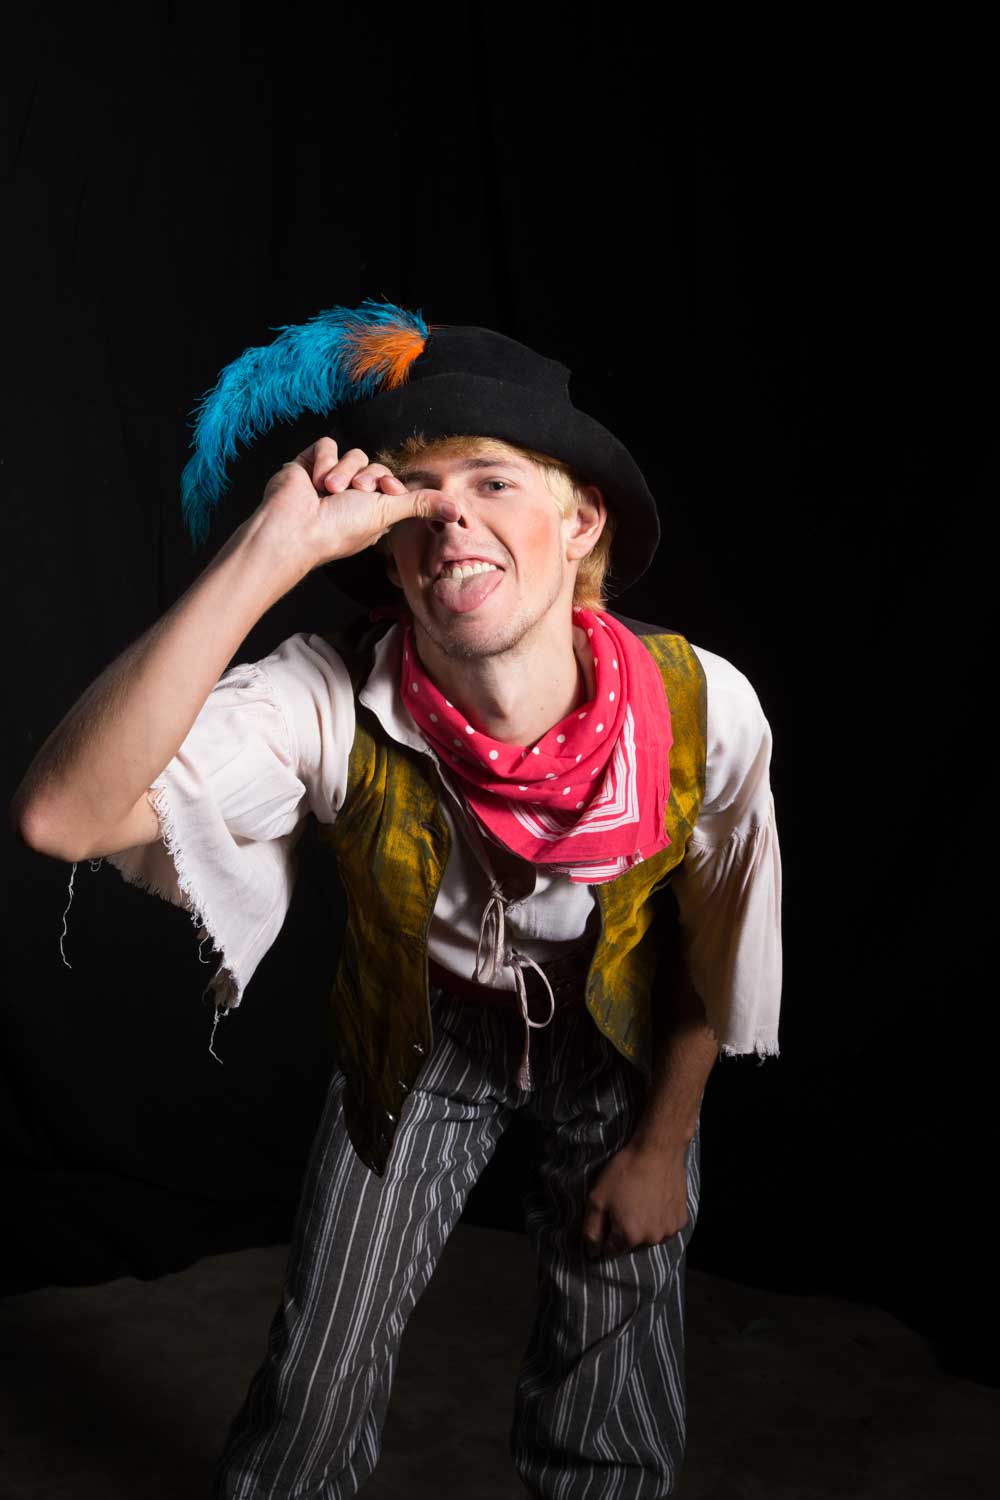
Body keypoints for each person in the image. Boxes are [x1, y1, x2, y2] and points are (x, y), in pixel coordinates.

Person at [12, 299, 782, 1498]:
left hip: (621, 1036)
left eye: (491, 482)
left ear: (579, 522)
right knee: (317, 1368)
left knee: (611, 1392)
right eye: (418, 491)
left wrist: (662, 1145)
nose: (451, 520)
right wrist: (262, 554)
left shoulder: (702, 708)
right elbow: (62, 816)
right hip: (420, 1036)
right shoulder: (324, 698)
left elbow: (711, 935)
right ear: (382, 541)